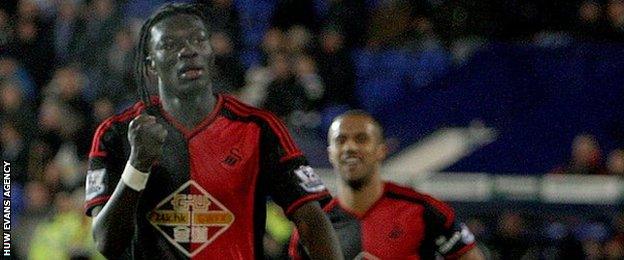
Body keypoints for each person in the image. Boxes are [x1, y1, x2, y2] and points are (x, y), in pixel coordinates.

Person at [83, 3, 342, 259]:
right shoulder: (115, 134)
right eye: (170, 45)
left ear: (210, 52)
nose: (188, 51)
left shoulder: (259, 128)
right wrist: (137, 166)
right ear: (151, 64)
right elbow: (107, 244)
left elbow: (312, 221)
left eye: (198, 40)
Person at [290, 110, 485, 259]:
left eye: (361, 139)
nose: (350, 147)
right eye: (341, 140)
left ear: (381, 150)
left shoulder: (425, 211)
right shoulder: (312, 227)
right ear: (330, 153)